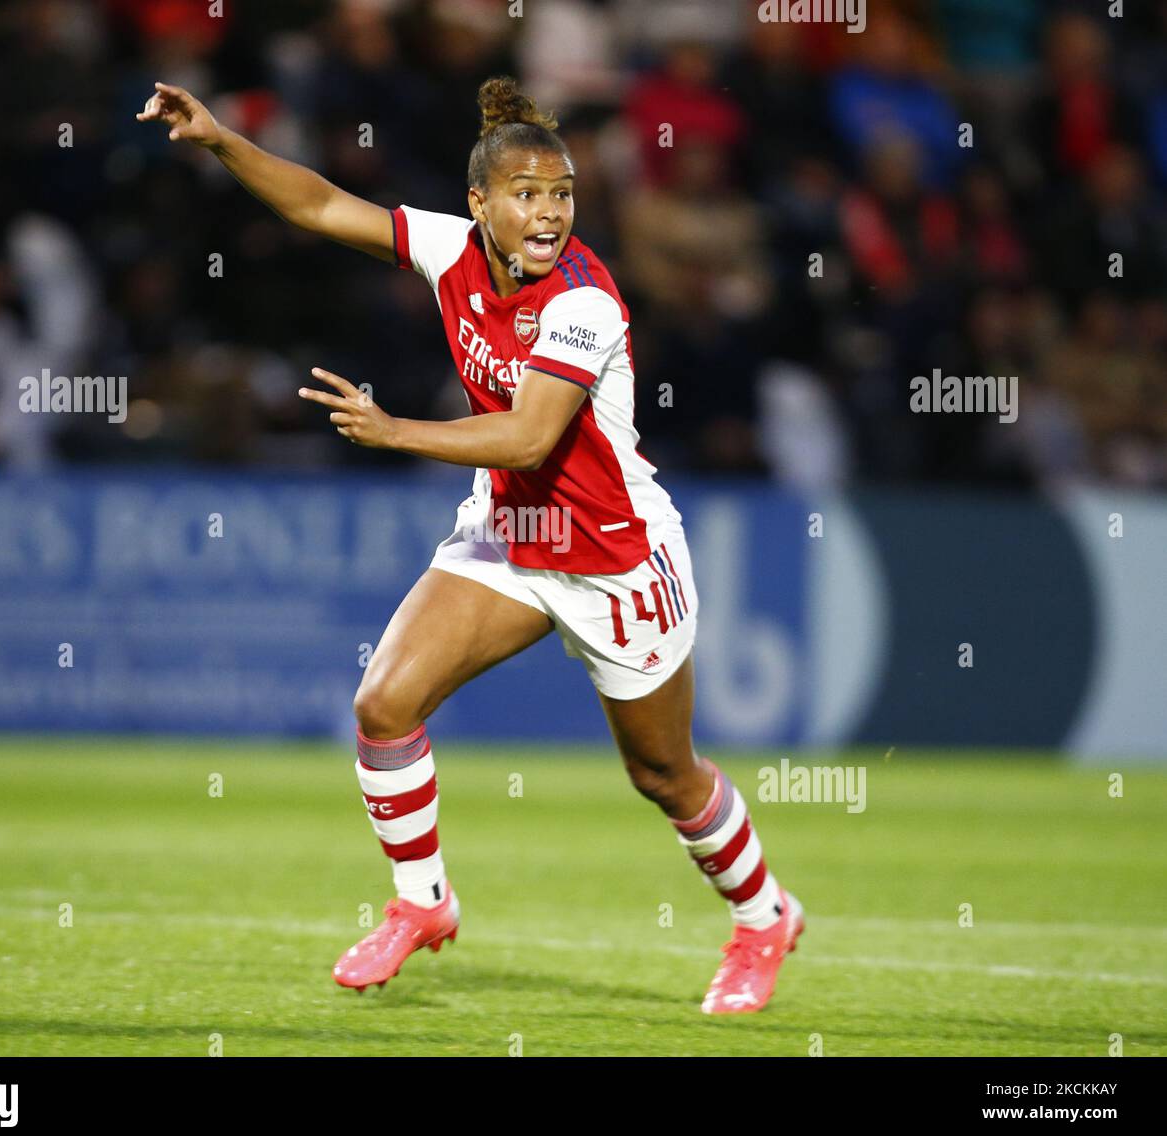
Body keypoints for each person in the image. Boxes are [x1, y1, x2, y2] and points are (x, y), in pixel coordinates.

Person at [138, 75, 804, 1013]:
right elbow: (324, 204)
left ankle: (765, 914)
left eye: (562, 193)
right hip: (508, 532)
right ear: (481, 204)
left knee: (664, 772)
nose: (549, 212)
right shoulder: (450, 249)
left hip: (611, 554)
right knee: (384, 702)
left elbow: (532, 436)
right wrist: (218, 142)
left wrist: (396, 431)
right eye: (528, 194)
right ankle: (424, 903)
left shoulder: (586, 301)